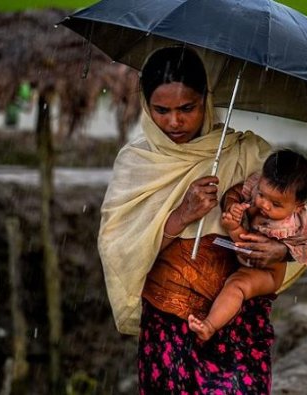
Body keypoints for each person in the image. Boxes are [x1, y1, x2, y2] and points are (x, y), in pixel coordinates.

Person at [98, 46, 294, 393]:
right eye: (162, 110)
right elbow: (118, 248)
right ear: (146, 106)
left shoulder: (246, 153)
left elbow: (297, 219)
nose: (174, 122)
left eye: (187, 108)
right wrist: (182, 215)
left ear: (206, 99)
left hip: (235, 325)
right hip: (168, 325)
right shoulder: (137, 163)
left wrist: (277, 249)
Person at [188, 149, 307, 341]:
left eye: (276, 204)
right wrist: (233, 206)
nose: (264, 205)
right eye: (262, 195)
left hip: (266, 273)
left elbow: (246, 244)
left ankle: (209, 326)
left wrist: (233, 227)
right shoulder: (258, 185)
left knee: (236, 285)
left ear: (298, 206)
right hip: (243, 255)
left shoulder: (292, 225)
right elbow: (236, 191)